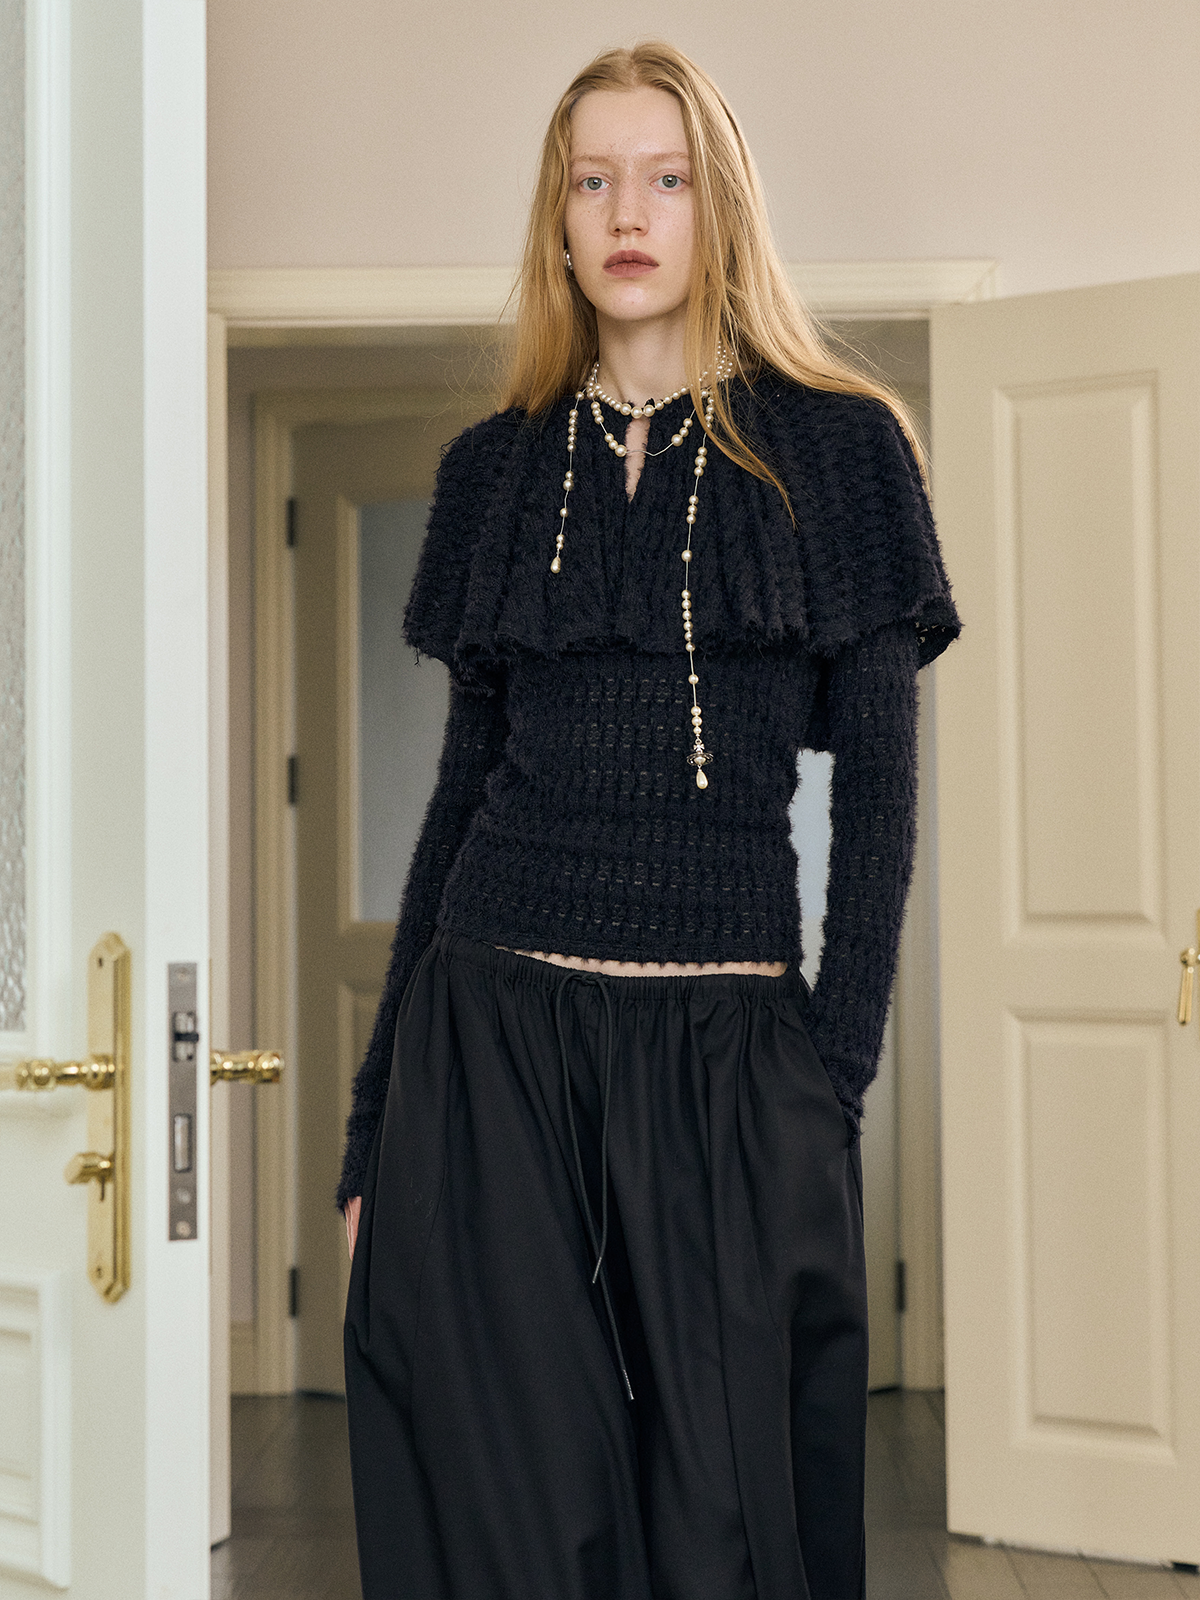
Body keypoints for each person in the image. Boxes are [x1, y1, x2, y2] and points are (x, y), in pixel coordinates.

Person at [337, 39, 958, 1600]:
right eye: (593, 180)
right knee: (513, 1526)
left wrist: (829, 1083)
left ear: (717, 206)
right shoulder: (494, 473)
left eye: (665, 177)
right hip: (490, 1046)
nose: (628, 213)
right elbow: (459, 801)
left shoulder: (842, 449)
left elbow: (880, 797)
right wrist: (372, 1134)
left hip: (728, 1056)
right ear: (557, 220)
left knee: (731, 1533)